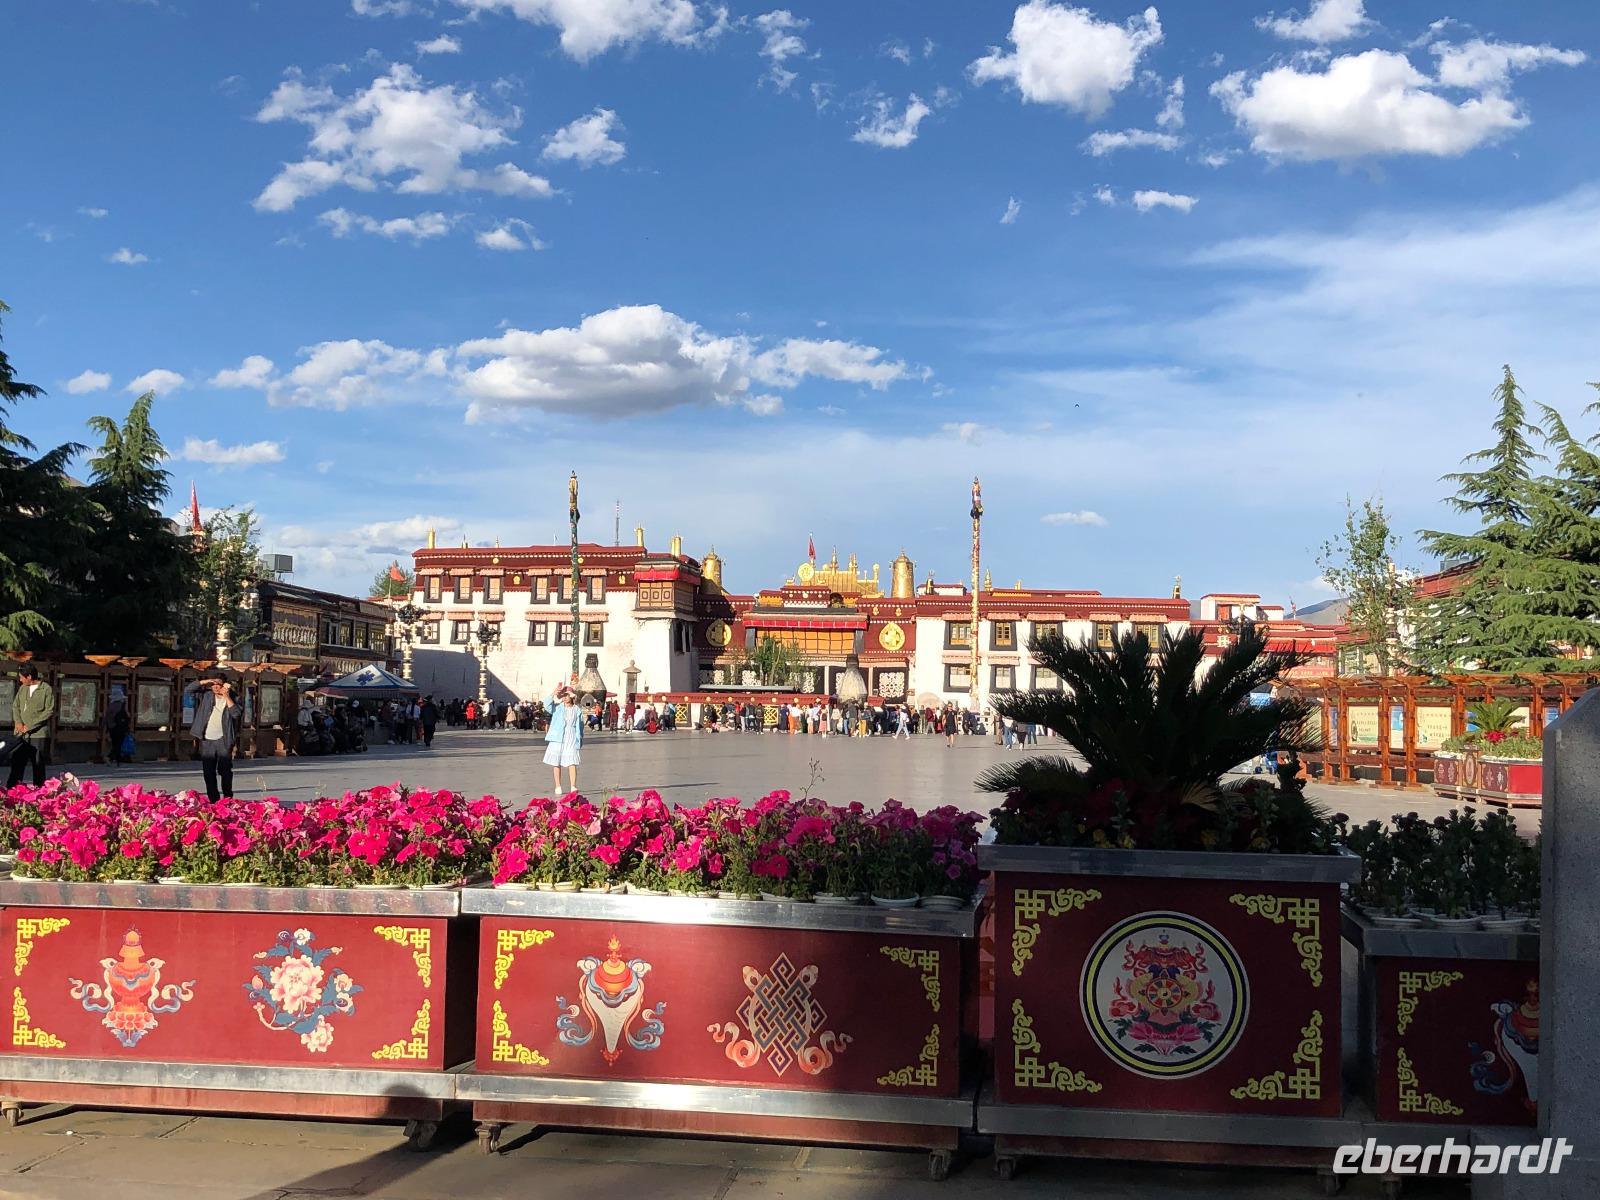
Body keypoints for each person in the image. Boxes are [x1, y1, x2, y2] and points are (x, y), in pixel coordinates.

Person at [183, 672, 240, 802]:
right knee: (208, 772)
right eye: (213, 685)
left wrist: (227, 696)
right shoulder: (206, 696)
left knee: (225, 770)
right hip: (207, 739)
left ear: (224, 685)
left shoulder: (233, 697)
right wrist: (206, 681)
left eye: (218, 684)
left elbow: (236, 713)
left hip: (223, 740)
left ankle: (227, 797)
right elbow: (189, 689)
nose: (215, 687)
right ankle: (214, 800)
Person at [6, 663, 54, 788]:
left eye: (22, 677)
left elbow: (49, 711)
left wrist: (30, 726)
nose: (20, 680)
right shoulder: (23, 688)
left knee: (37, 764)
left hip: (38, 734)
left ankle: (39, 792)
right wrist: (18, 722)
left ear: (29, 676)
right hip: (21, 733)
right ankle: (12, 790)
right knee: (17, 763)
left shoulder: (46, 689)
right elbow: (15, 706)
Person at [544, 684, 583, 794]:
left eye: (567, 695)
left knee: (572, 761)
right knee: (557, 762)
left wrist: (580, 737)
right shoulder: (557, 708)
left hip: (571, 735)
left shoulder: (577, 710)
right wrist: (553, 693)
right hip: (558, 736)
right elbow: (546, 704)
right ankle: (558, 786)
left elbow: (580, 725)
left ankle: (573, 786)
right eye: (563, 696)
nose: (565, 698)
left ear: (572, 696)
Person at [105, 683, 132, 765]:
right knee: (119, 744)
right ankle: (110, 757)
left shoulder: (110, 706)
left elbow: (106, 717)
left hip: (111, 728)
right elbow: (127, 716)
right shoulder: (122, 706)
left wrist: (105, 727)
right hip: (120, 728)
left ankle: (116, 759)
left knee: (114, 743)